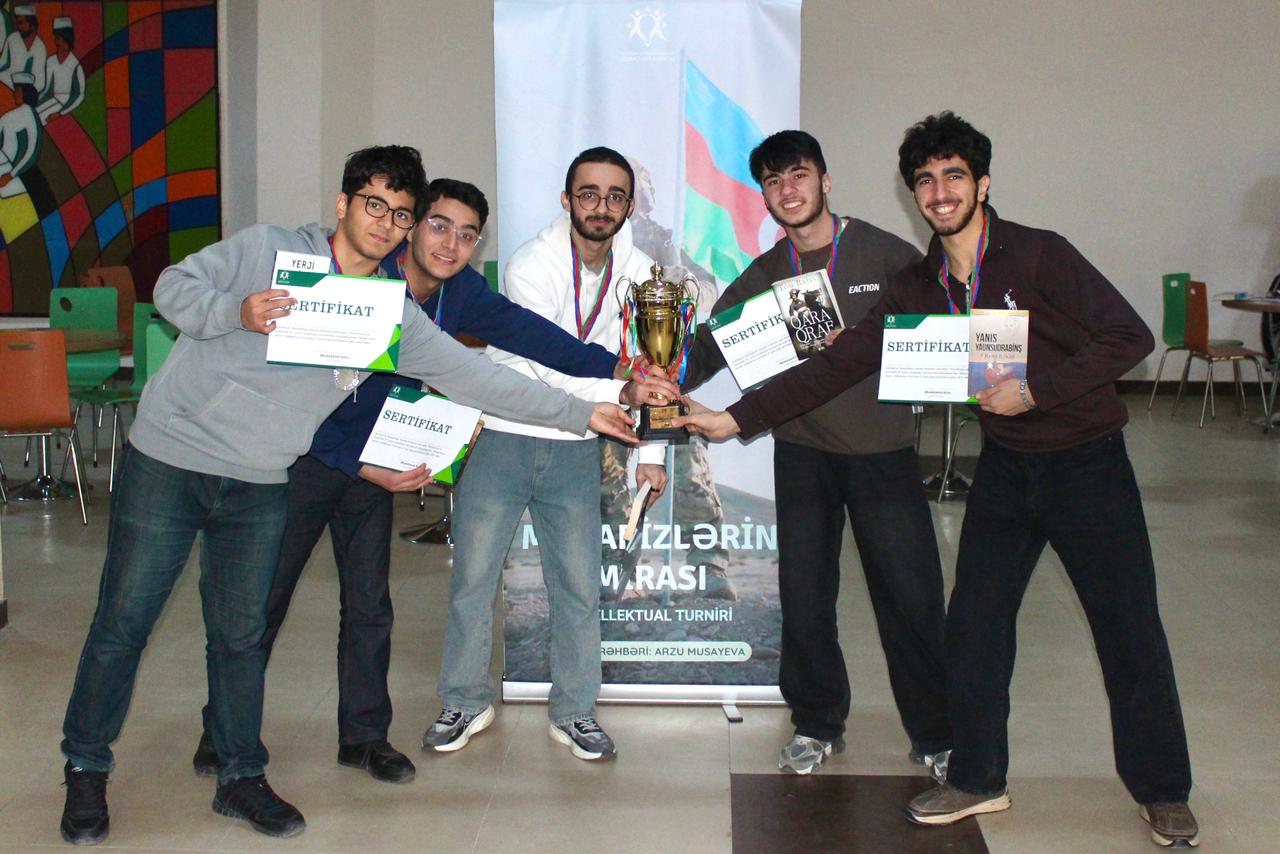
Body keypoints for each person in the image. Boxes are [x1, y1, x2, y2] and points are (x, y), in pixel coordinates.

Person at [58, 145, 638, 846]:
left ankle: (240, 776)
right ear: (343, 204)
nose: (386, 223)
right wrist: (236, 310)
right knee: (124, 623)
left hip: (262, 479)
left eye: (400, 213)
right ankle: (85, 767)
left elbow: (479, 379)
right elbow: (174, 286)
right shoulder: (270, 250)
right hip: (171, 459)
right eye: (374, 205)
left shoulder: (390, 314)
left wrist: (584, 412)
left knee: (239, 638)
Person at [675, 113, 1198, 848]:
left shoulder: (1040, 254)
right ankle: (976, 777)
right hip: (1006, 467)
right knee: (975, 628)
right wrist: (735, 417)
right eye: (925, 180)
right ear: (913, 193)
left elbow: (1129, 336)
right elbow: (837, 365)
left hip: (1086, 464)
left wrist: (1038, 389)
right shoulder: (919, 283)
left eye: (954, 176)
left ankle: (1163, 790)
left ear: (982, 185)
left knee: (1128, 628)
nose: (940, 191)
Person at [188, 177, 652, 785]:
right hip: (311, 456)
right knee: (264, 602)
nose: (450, 244)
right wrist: (356, 460)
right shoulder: (363, 279)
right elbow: (301, 388)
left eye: (467, 234)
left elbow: (536, 338)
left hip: (375, 466)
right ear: (411, 227)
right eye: (437, 225)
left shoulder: (461, 293)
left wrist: (620, 370)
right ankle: (221, 732)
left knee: (369, 609)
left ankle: (363, 739)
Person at [680, 130, 950, 777]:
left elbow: (938, 336)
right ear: (765, 196)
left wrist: (868, 348)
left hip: (883, 453)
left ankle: (939, 735)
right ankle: (817, 723)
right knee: (804, 598)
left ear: (825, 181)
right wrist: (657, 374)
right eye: (773, 182)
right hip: (802, 452)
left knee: (911, 599)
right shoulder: (765, 274)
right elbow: (709, 348)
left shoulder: (886, 254)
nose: (788, 190)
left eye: (798, 175)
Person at [423, 147, 673, 761]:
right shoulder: (531, 263)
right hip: (504, 432)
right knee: (473, 580)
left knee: (578, 588)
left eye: (615, 196)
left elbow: (655, 366)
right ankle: (465, 700)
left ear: (629, 207)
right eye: (589, 193)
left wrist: (653, 450)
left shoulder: (645, 274)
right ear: (567, 200)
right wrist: (620, 390)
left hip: (578, 447)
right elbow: (544, 359)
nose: (601, 206)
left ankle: (575, 710)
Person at [37, 17, 83, 124]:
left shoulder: (75, 65)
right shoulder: (51, 61)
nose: (56, 42)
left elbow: (79, 95)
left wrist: (60, 113)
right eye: (55, 38)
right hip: (52, 99)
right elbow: (47, 89)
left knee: (39, 119)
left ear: (67, 39)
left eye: (58, 38)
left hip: (65, 103)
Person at [0, 5, 46, 92]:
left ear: (32, 25)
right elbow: (2, 63)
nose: (18, 27)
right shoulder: (12, 38)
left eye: (21, 23)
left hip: (25, 89)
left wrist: (27, 92)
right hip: (5, 80)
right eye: (18, 23)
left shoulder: (40, 47)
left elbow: (40, 82)